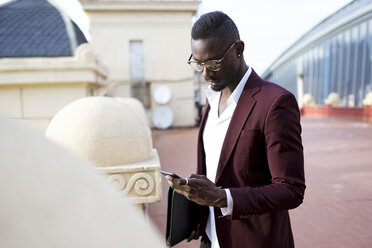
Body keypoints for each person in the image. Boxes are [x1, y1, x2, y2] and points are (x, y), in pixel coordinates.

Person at [165, 11, 305, 248]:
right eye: (198, 63)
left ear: (238, 49)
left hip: (254, 241)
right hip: (211, 238)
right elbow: (217, 171)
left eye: (213, 63)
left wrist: (222, 198)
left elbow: (291, 189)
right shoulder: (211, 101)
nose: (205, 74)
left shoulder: (276, 103)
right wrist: (196, 200)